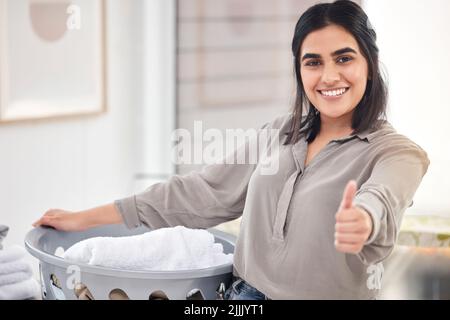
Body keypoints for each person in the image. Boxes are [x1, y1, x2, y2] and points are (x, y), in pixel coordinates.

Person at [33, 0, 429, 300]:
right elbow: (201, 193)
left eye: (344, 58)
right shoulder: (279, 134)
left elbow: (380, 199)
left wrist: (363, 220)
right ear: (299, 71)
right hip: (240, 300)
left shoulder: (398, 154)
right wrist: (83, 218)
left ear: (371, 64)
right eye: (313, 62)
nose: (328, 76)